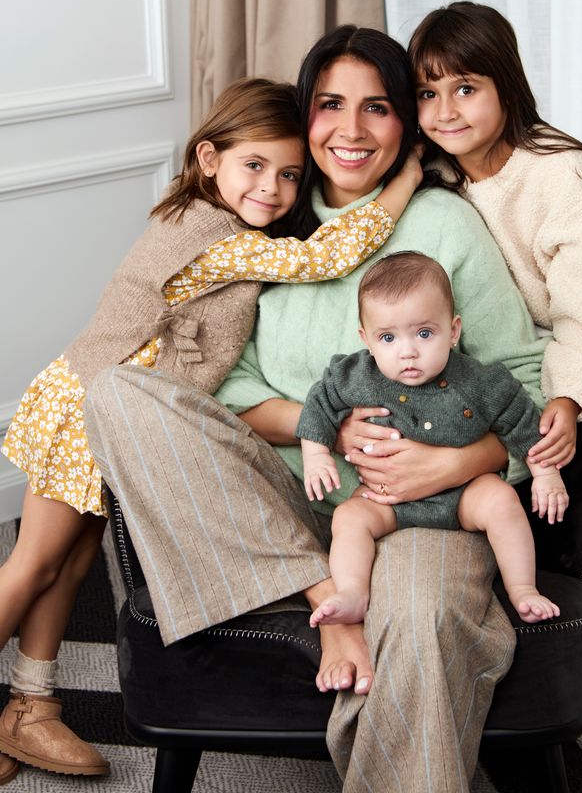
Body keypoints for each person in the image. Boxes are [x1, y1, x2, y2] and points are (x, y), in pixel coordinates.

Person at [85, 24, 552, 792]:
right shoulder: (268, 221)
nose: (352, 129)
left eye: (378, 107)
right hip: (278, 499)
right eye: (331, 104)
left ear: (405, 120)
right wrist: (322, 423)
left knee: (429, 619)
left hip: (420, 509)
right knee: (117, 394)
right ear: (306, 116)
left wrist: (461, 461)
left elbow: (523, 376)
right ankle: (324, 595)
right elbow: (224, 384)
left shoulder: (442, 224)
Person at [0, 77, 420, 782]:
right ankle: (25, 707)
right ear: (208, 158)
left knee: (72, 567)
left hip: (109, 411)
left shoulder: (224, 227)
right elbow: (321, 257)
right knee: (34, 564)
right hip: (85, 409)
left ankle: (29, 709)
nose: (273, 188)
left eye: (290, 174)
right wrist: (403, 180)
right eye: (254, 166)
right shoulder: (206, 235)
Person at [408, 0, 582, 714]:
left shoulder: (562, 175)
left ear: (505, 86)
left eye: (465, 88)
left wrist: (564, 394)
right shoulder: (426, 170)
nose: (446, 110)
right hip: (503, 344)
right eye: (427, 93)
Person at [299, 250, 567, 629]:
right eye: (388, 337)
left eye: (424, 333)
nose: (408, 351)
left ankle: (523, 588)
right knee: (349, 517)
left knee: (502, 500)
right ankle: (352, 593)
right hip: (385, 498)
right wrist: (316, 454)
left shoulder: (480, 382)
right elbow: (320, 402)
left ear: (453, 330)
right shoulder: (356, 375)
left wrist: (545, 474)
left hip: (463, 494)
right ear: (366, 340)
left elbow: (522, 422)